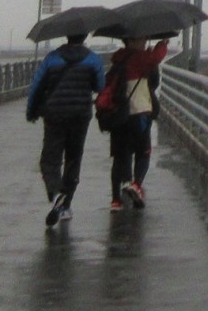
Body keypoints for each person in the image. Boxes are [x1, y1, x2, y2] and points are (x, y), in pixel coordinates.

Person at [25, 31, 106, 227]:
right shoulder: (93, 59)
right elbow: (100, 86)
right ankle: (65, 205)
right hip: (80, 115)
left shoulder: (52, 58)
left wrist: (32, 111)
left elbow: (37, 86)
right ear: (84, 36)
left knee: (49, 160)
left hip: (54, 115)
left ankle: (55, 193)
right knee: (73, 159)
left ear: (66, 36)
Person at [98, 35, 169, 210]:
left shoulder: (118, 60)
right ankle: (136, 185)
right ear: (131, 41)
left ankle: (116, 200)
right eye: (141, 39)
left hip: (118, 114)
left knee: (120, 156)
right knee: (143, 152)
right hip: (138, 112)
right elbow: (156, 59)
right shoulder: (138, 58)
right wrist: (163, 43)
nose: (144, 42)